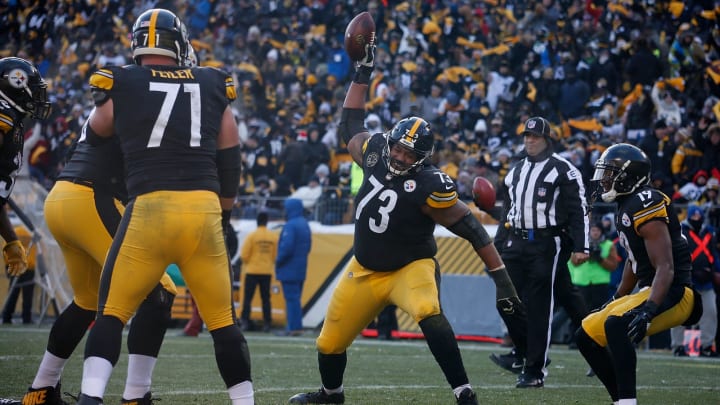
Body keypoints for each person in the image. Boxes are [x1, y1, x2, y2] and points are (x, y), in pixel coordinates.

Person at [289, 34, 523, 405]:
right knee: (329, 343)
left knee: (428, 312)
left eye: (407, 152)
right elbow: (350, 126)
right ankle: (331, 395)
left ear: (423, 156)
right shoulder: (377, 150)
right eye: (396, 147)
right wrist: (362, 72)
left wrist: (503, 282)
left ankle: (464, 393)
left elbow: (472, 229)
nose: (398, 156)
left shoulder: (431, 183)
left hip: (410, 267)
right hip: (364, 268)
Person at [75, 9, 251, 404]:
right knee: (224, 324)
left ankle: (91, 398)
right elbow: (231, 158)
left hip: (149, 209)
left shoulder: (120, 79)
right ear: (179, 45)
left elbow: (95, 131)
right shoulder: (211, 80)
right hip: (203, 210)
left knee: (111, 315)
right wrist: (222, 213)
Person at [576, 143, 700, 405]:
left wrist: (649, 310)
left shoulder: (645, 202)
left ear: (628, 177)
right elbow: (634, 263)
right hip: (650, 288)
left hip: (676, 291)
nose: (604, 180)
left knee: (615, 324)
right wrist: (617, 297)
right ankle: (619, 399)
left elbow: (665, 266)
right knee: (584, 334)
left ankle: (628, 402)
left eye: (610, 174)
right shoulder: (626, 204)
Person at [490, 116, 590, 388]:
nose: (529, 140)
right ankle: (525, 352)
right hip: (515, 240)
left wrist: (582, 246)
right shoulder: (516, 170)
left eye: (535, 136)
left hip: (547, 243)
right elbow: (507, 214)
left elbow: (578, 211)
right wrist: (497, 246)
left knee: (538, 307)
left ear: (547, 140)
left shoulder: (563, 170)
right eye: (526, 136)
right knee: (506, 301)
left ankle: (534, 369)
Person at [0, 57, 51, 292]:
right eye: (34, 90)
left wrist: (10, 239)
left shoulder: (13, 120)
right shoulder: (4, 118)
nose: (38, 98)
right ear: (15, 84)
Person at [670, 205, 719, 357]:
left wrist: (715, 271)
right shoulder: (681, 231)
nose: (697, 219)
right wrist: (689, 271)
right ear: (689, 217)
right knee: (680, 313)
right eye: (694, 217)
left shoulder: (709, 232)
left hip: (706, 279)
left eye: (699, 217)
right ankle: (677, 346)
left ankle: (707, 346)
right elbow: (677, 254)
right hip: (687, 278)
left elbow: (713, 254)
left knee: (711, 312)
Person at [275, 198, 311, 337]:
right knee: (295, 299)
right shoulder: (305, 224)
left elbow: (286, 248)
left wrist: (278, 261)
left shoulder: (290, 225)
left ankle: (293, 327)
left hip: (289, 268)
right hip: (301, 268)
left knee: (291, 299)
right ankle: (295, 326)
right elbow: (308, 247)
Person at [239, 211, 278, 333]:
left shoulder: (252, 236)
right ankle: (267, 323)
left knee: (248, 298)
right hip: (266, 271)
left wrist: (250, 262)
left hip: (252, 271)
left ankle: (245, 322)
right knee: (266, 298)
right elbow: (275, 255)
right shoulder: (273, 236)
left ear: (257, 221)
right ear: (267, 222)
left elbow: (244, 254)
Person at [2, 224, 36, 325]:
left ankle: (6, 317)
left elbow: (6, 248)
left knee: (13, 293)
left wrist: (7, 265)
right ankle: (26, 318)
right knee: (28, 296)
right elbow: (38, 251)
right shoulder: (33, 233)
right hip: (29, 268)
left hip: (16, 265)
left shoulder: (15, 231)